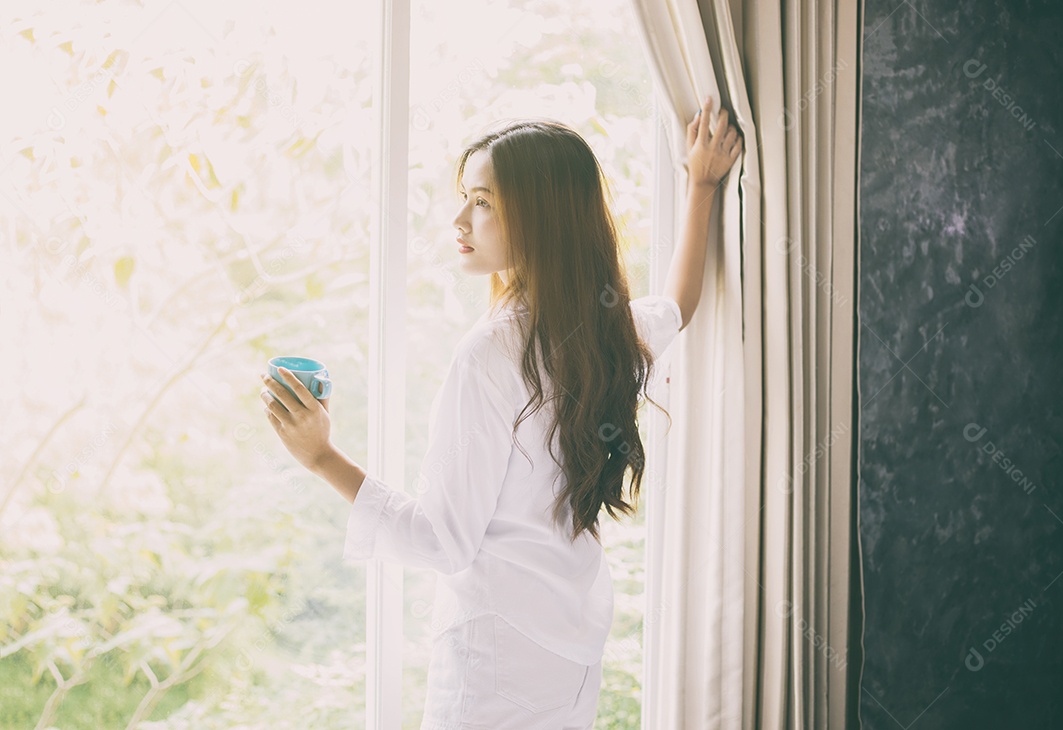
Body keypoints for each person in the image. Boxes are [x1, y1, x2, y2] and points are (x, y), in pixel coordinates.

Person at [259, 95, 742, 729]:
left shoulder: (488, 355)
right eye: (465, 196)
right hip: (572, 648)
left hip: (493, 668)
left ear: (539, 220)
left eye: (483, 202)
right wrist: (702, 185)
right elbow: (680, 304)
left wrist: (320, 456)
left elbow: (442, 541)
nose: (459, 217)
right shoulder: (608, 330)